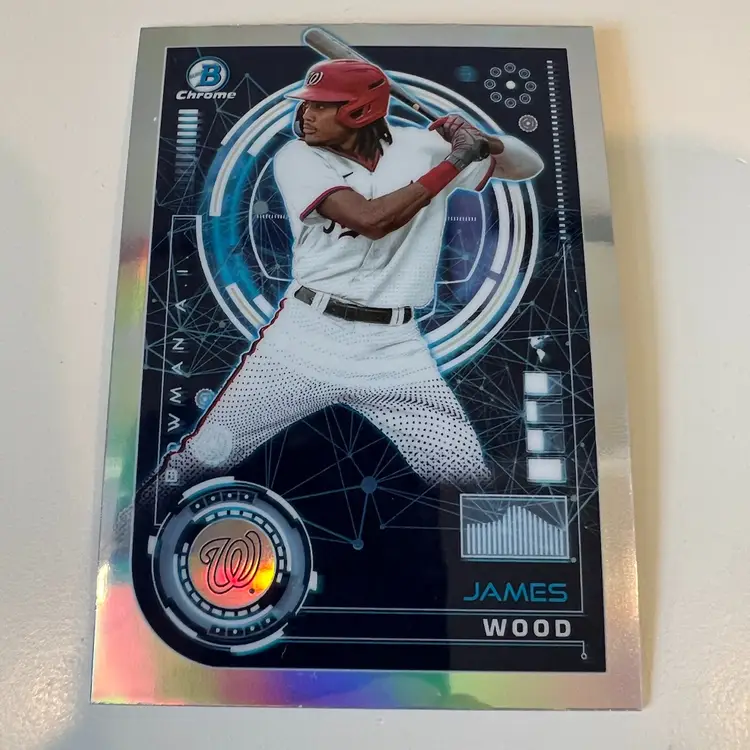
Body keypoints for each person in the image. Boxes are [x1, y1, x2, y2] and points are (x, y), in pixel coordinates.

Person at [141, 58, 543, 510]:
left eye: (321, 106)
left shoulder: (422, 147)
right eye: (307, 104)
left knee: (463, 470)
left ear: (359, 111)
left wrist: (480, 140)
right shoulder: (298, 157)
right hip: (305, 337)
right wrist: (454, 162)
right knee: (205, 454)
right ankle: (127, 527)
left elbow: (526, 166)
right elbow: (372, 220)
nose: (305, 114)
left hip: (395, 348)